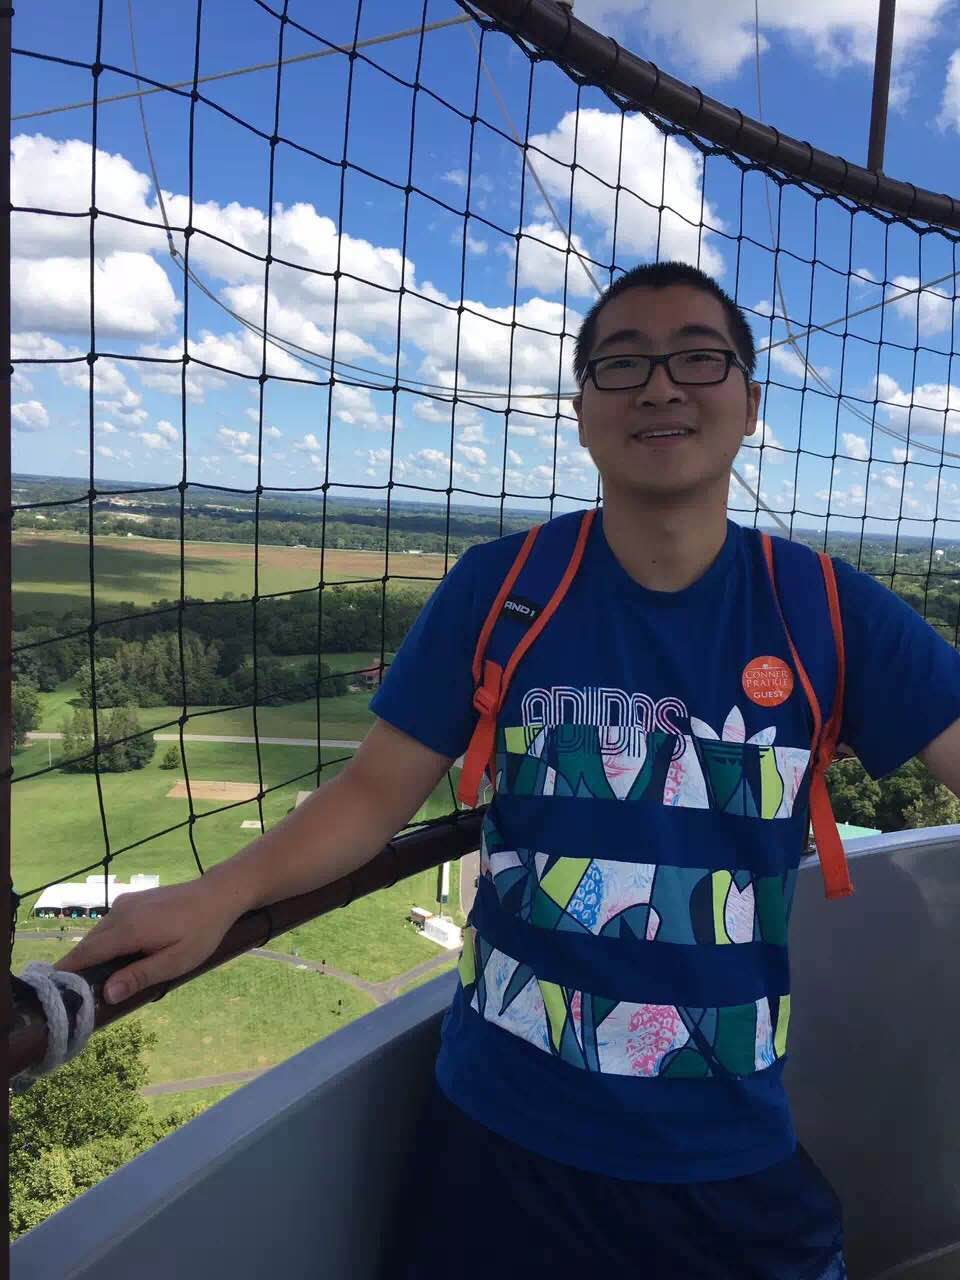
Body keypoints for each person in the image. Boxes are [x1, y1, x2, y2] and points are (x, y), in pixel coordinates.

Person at [57, 262, 960, 1279]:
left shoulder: (829, 611)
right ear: (581, 412)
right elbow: (371, 795)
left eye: (699, 358)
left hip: (725, 1150)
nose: (661, 385)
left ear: (751, 404)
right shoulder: (504, 588)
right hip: (499, 1143)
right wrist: (219, 893)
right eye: (623, 362)